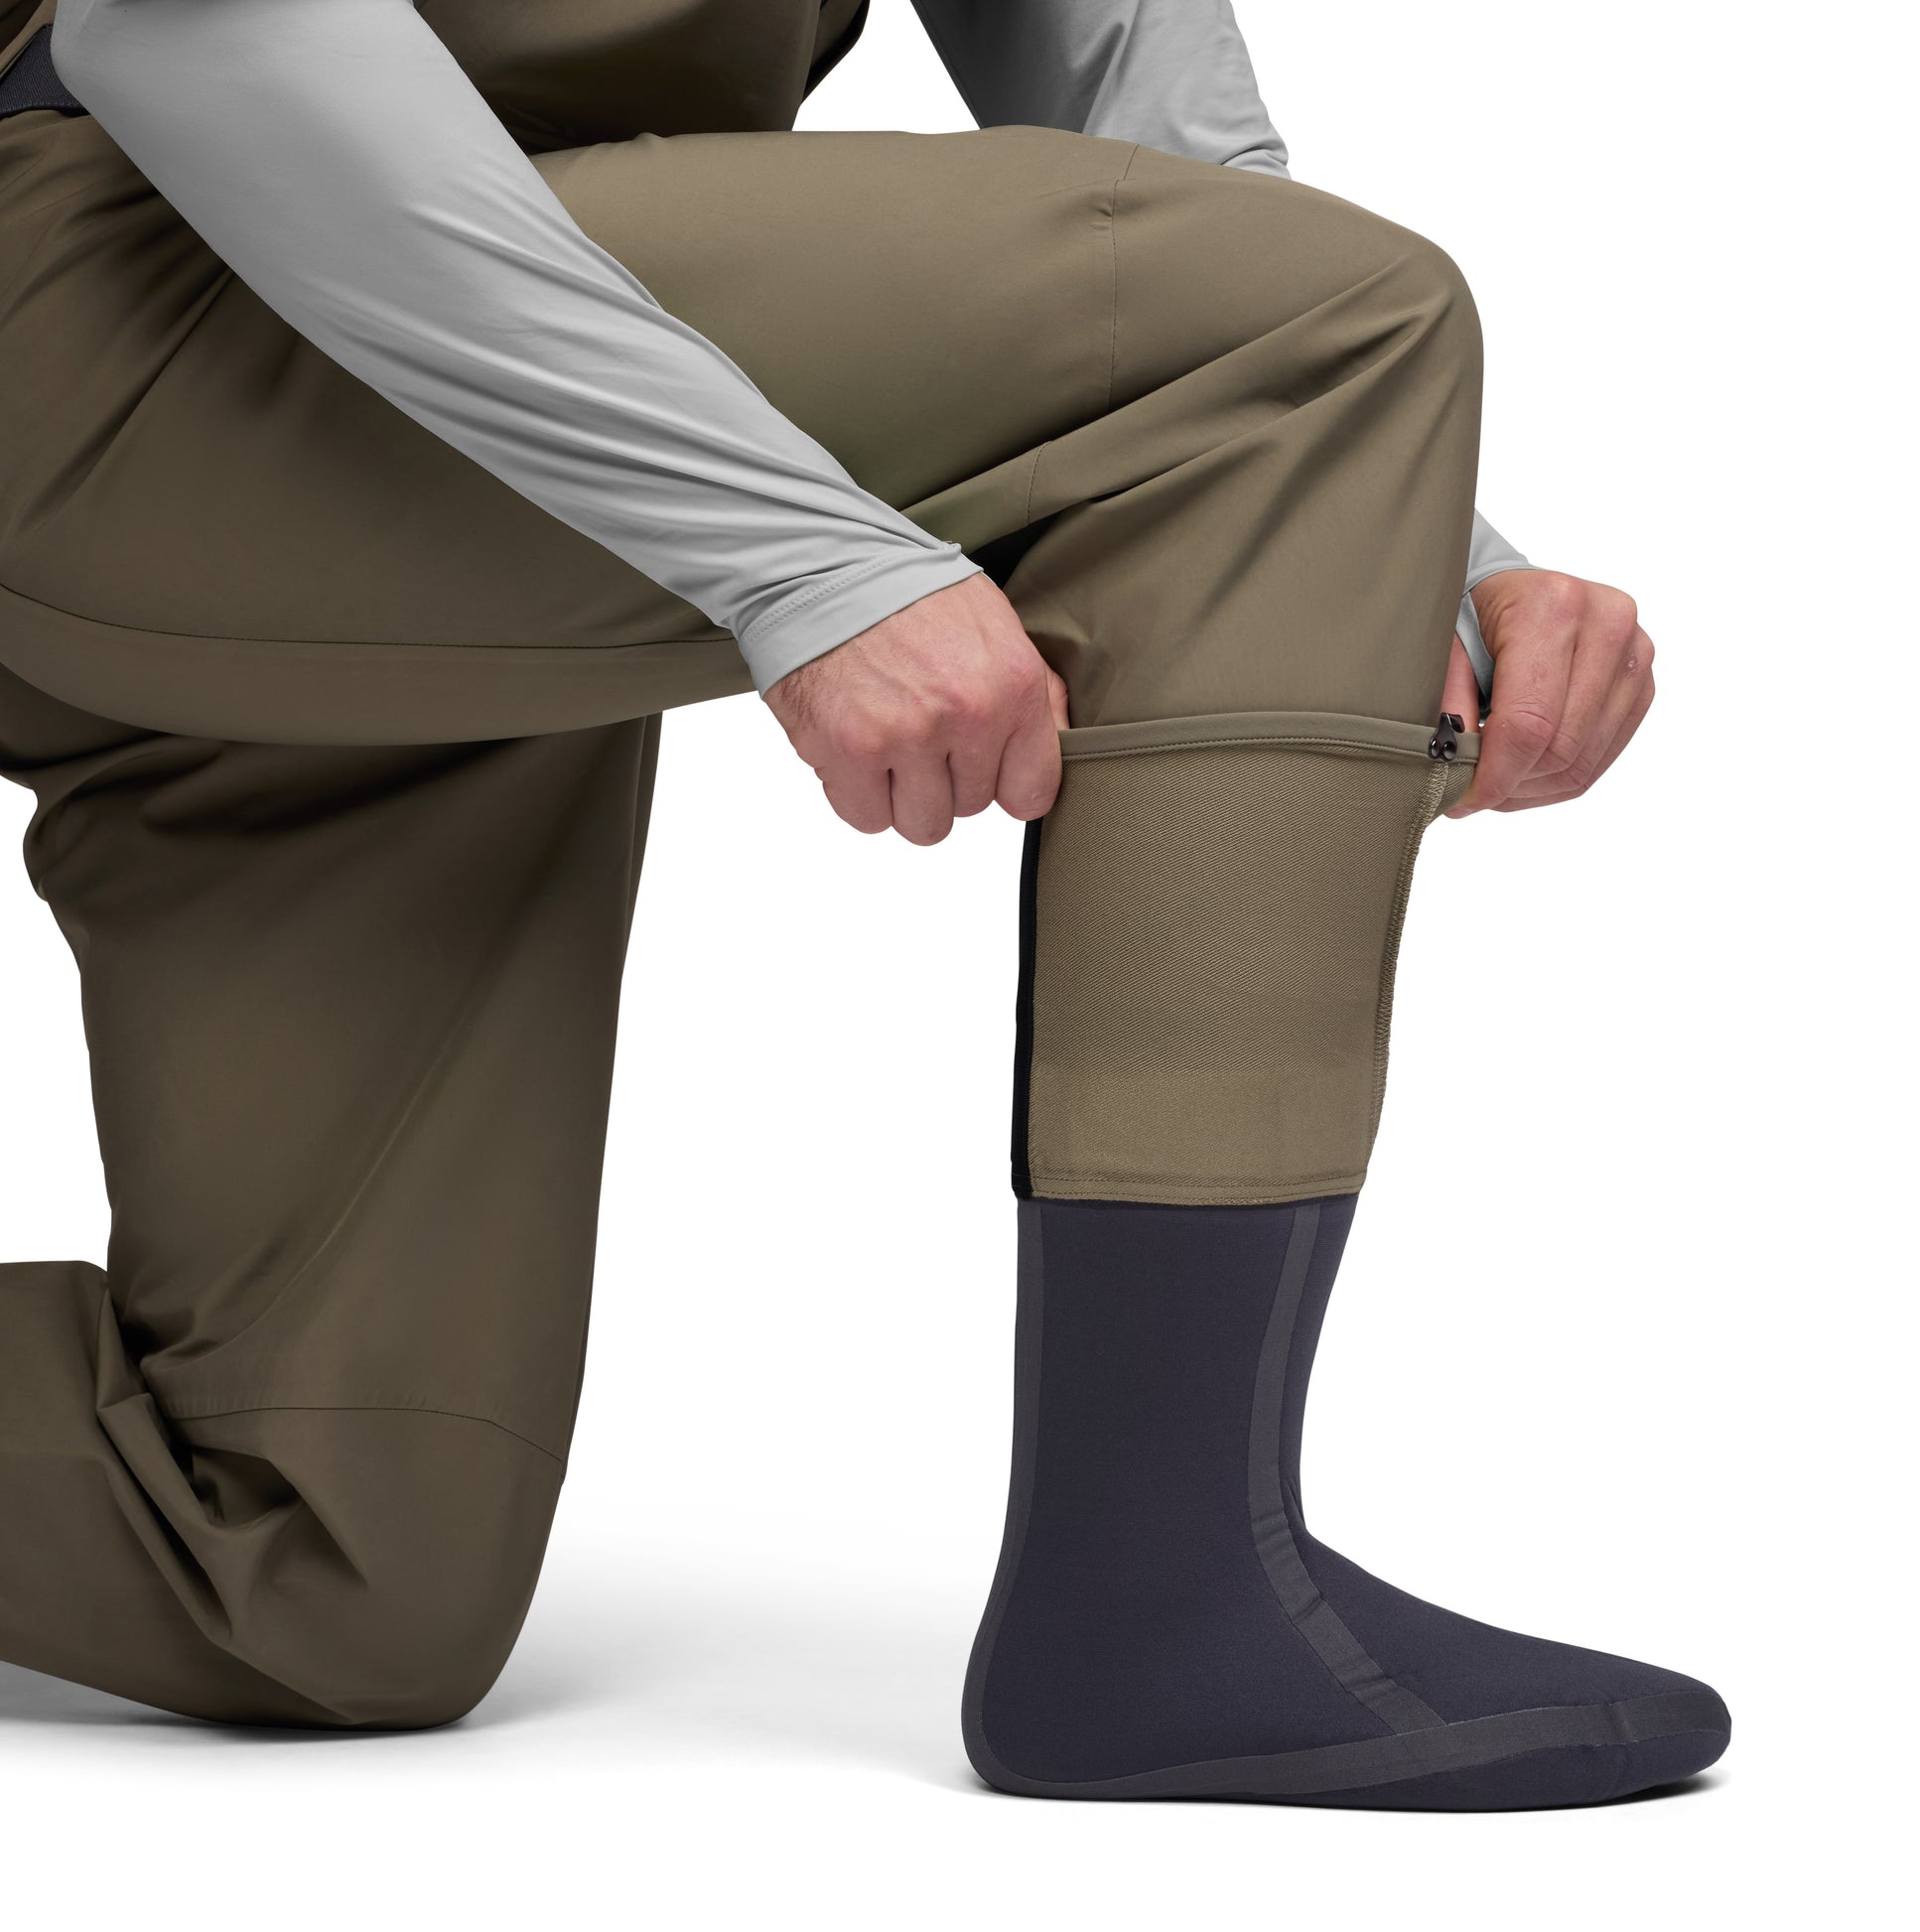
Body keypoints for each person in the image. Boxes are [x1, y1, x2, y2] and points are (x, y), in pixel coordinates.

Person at [0, 0, 1723, 1807]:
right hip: (130, 307)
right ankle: (1165, 1594)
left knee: (318, 1558)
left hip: (405, 432)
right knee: (1332, 328)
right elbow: (204, 34)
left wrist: (1404, 536)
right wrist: (805, 557)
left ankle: (1158, 1607)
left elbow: (1158, 144)